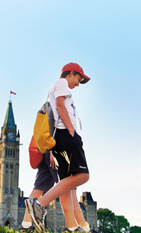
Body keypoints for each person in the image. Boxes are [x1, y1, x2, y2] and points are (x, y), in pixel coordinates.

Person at [26, 62, 91, 232]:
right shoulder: (61, 83)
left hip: (58, 137)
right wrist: (72, 131)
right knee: (83, 175)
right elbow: (61, 106)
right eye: (79, 78)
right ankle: (39, 204)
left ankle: (71, 226)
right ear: (70, 73)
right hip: (65, 135)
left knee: (66, 184)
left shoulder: (56, 88)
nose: (78, 83)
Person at [18, 151, 91, 232]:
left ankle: (25, 226)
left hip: (46, 149)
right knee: (67, 185)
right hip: (56, 149)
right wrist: (52, 151)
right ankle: (73, 228)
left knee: (39, 187)